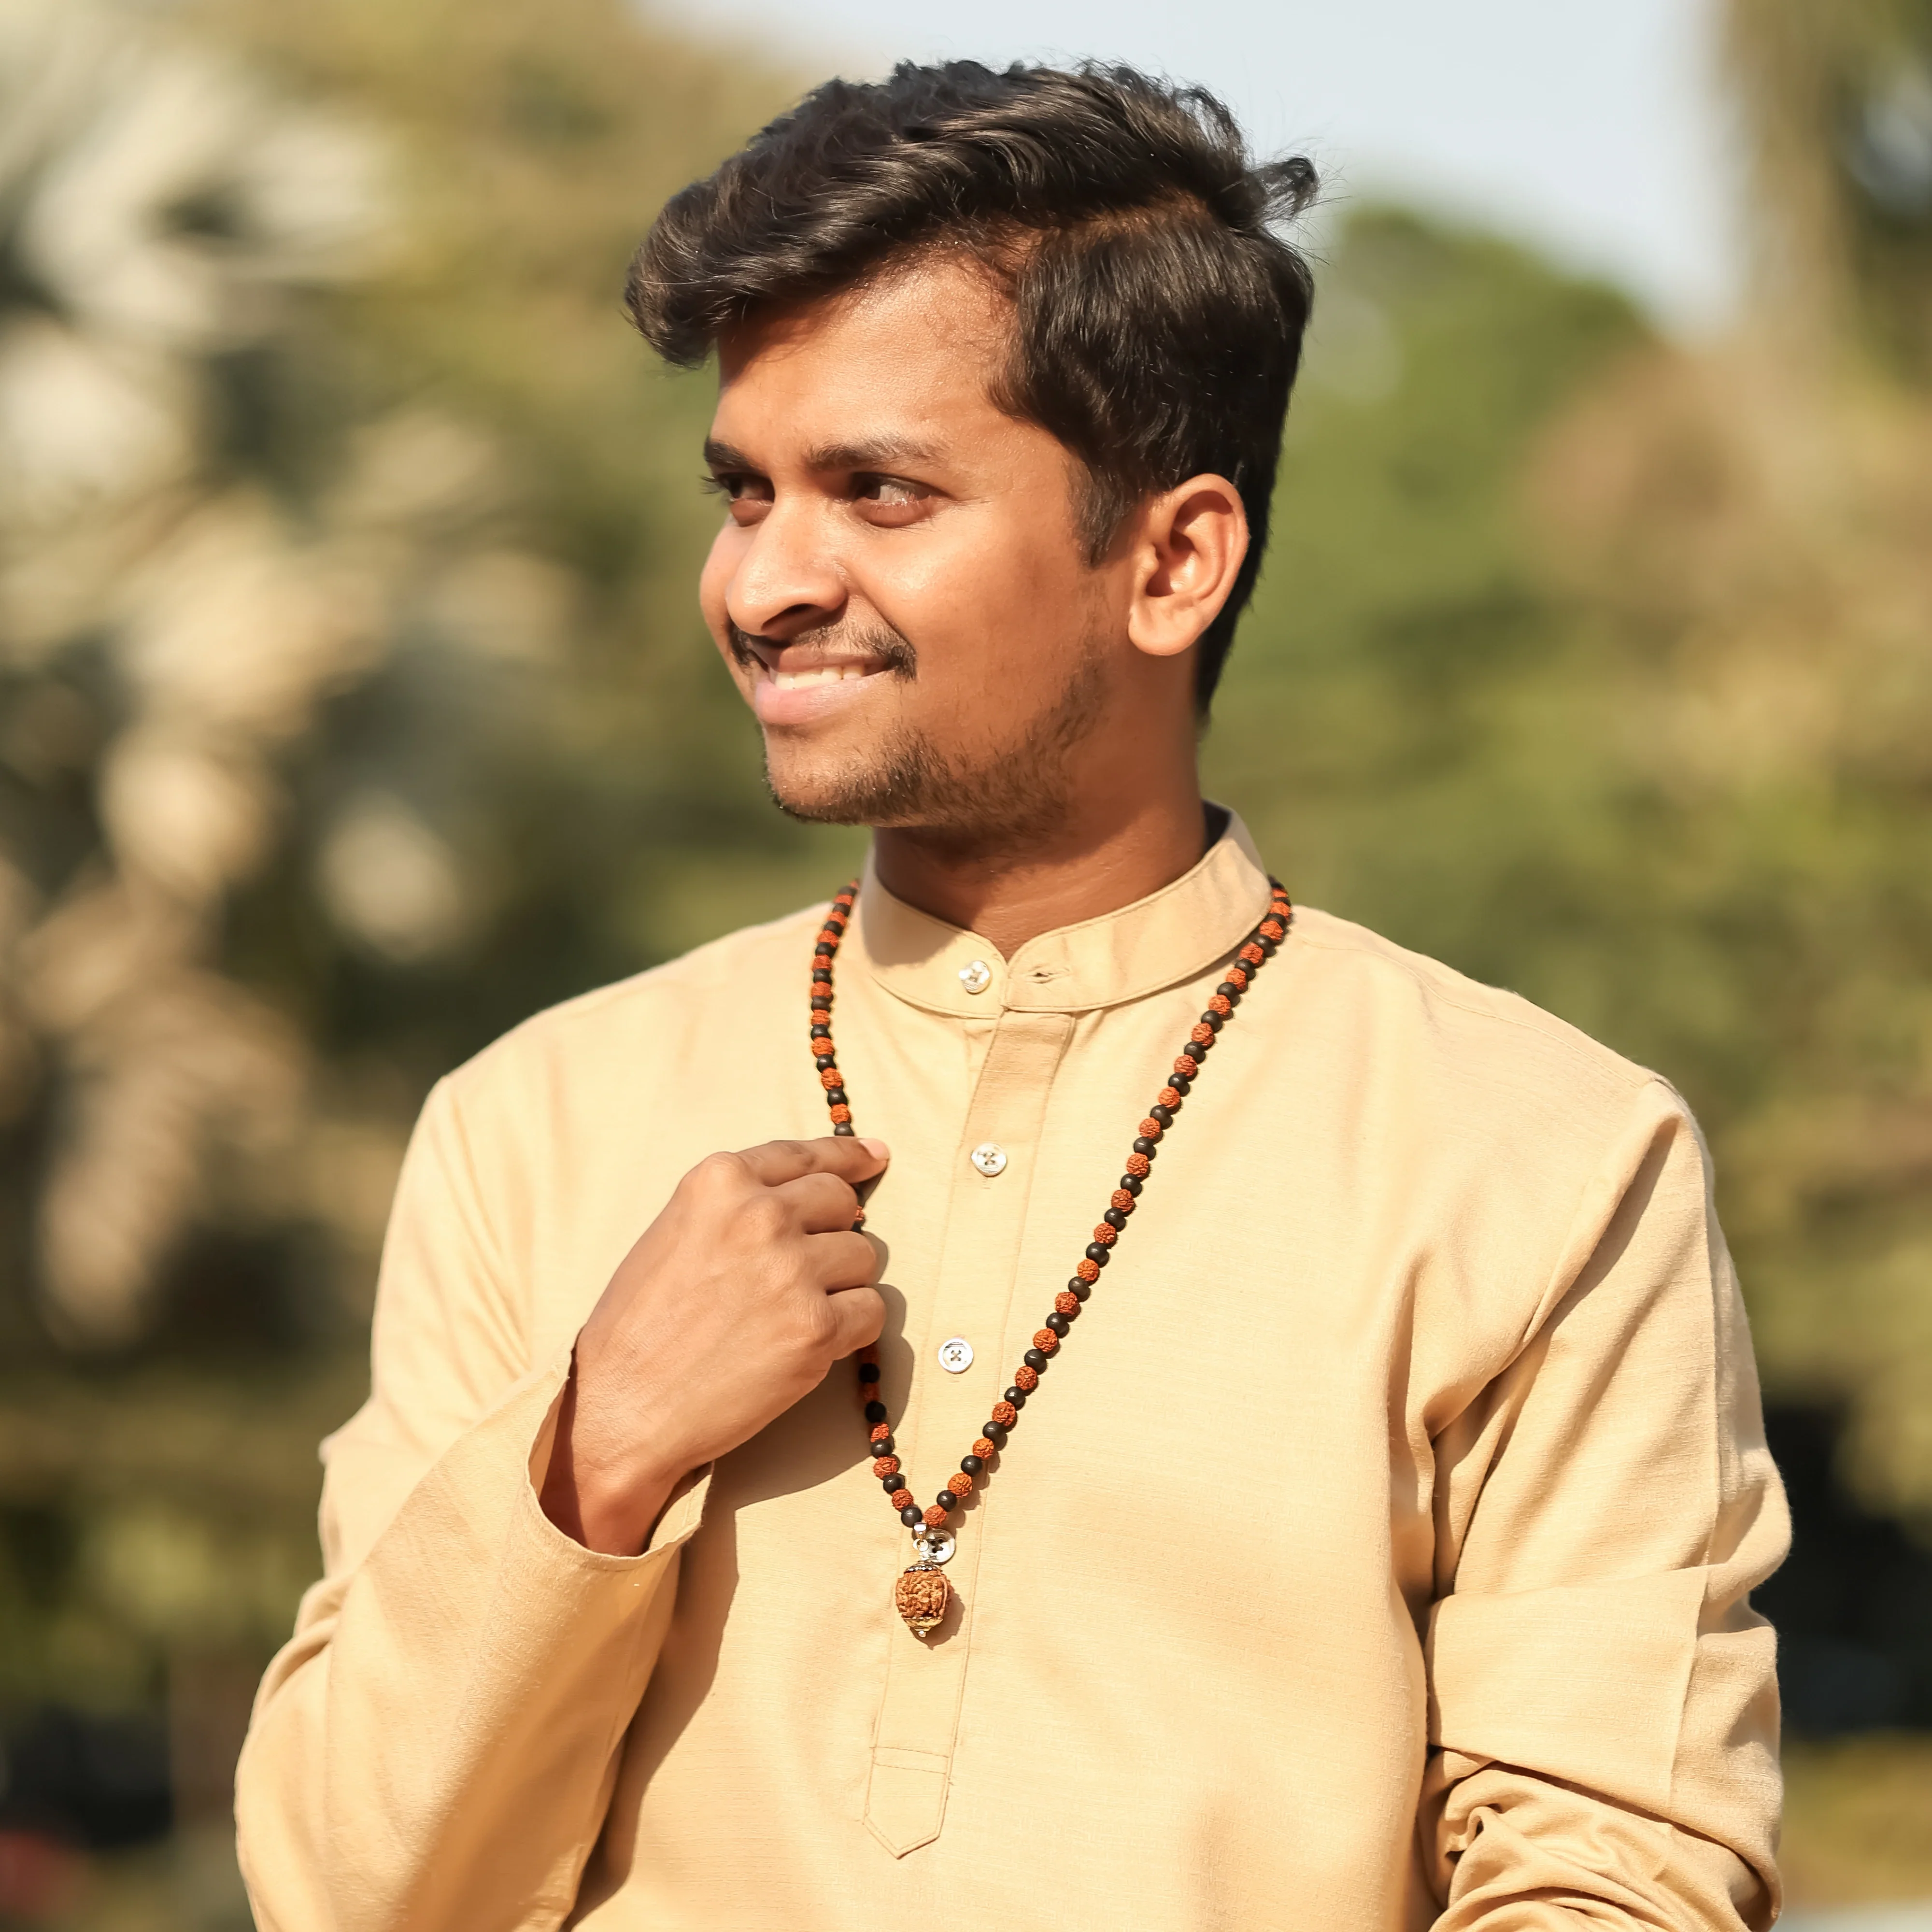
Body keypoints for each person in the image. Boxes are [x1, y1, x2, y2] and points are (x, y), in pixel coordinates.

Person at [234, 60, 1788, 1932]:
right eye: (744, 493)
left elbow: (1614, 1871)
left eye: (877, 492)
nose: (766, 580)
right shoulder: (537, 1120)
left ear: (1171, 559)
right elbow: (346, 1892)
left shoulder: (1535, 1152)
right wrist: (595, 1451)